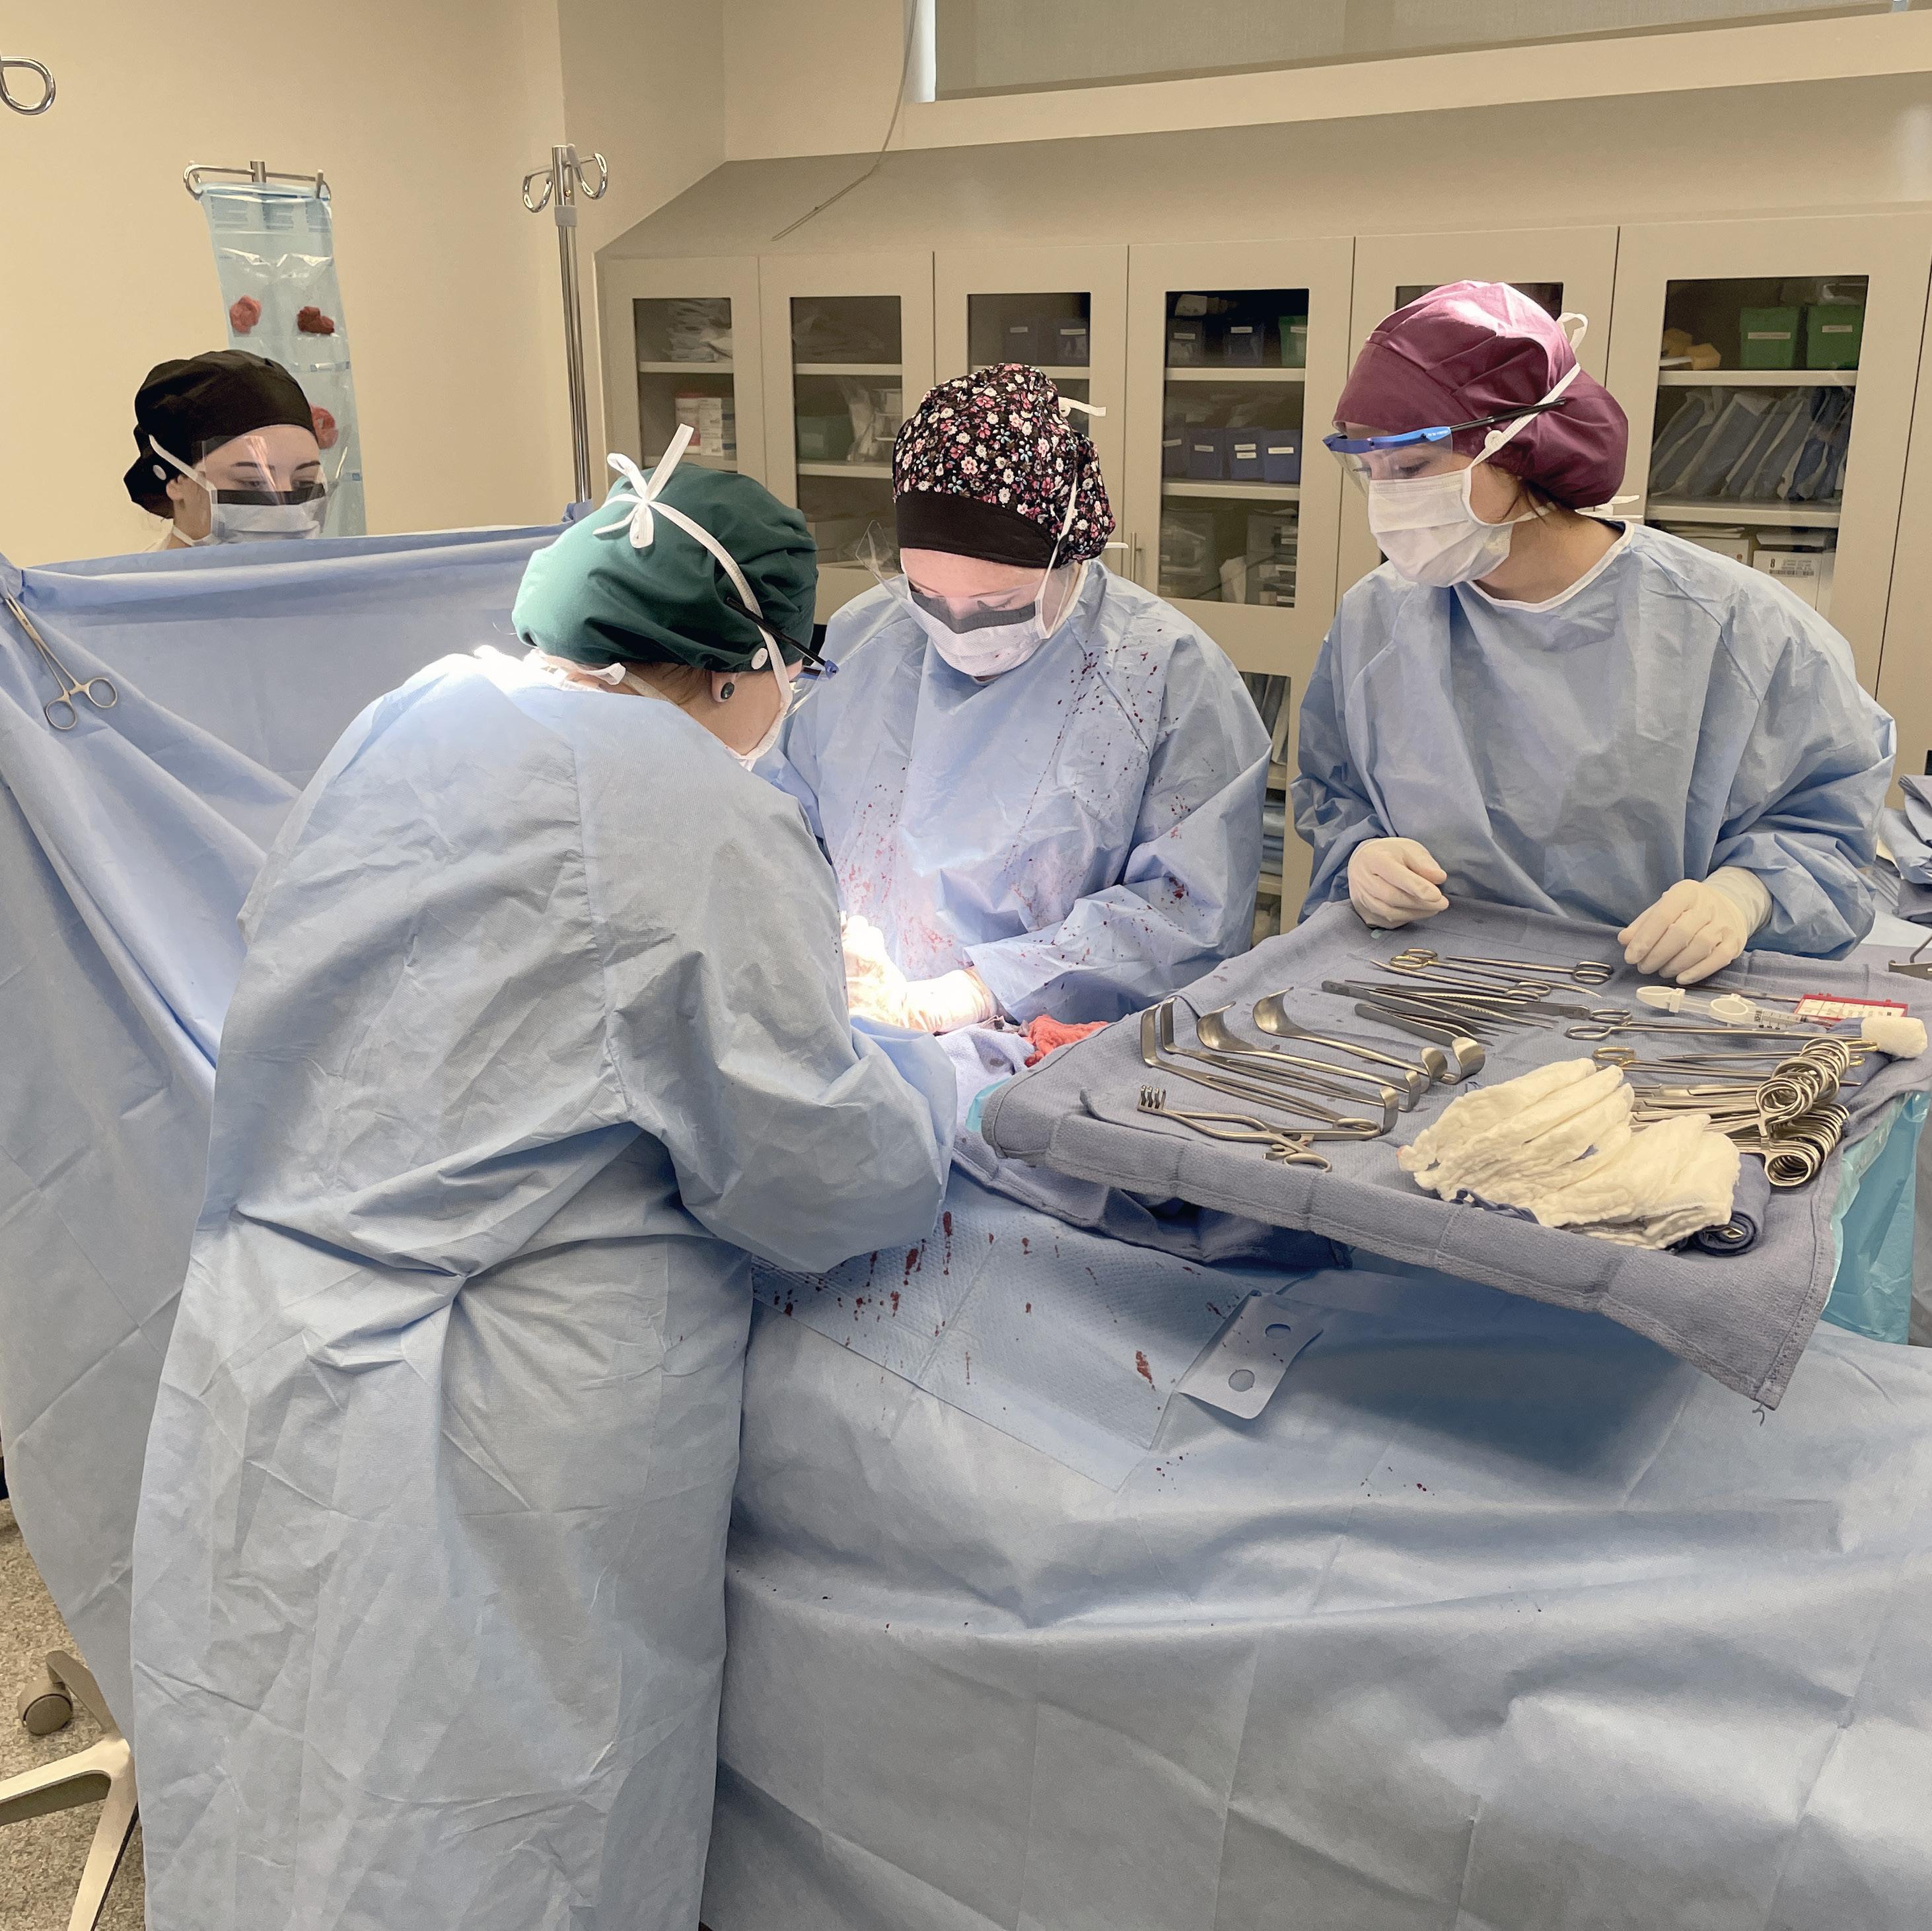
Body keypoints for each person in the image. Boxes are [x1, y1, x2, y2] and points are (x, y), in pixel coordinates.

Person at [129, 433, 954, 1931]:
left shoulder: (413, 715)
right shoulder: (690, 803)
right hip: (496, 1406)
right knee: (495, 1829)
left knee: (284, 1786)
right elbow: (822, 1177)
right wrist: (931, 1071)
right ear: (743, 664)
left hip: (272, 1339)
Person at [1294, 281, 1892, 985]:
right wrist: (1362, 855)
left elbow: (1829, 826)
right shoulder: (1378, 618)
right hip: (1426, 980)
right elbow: (1337, 792)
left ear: (1518, 443)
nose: (1388, 501)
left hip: (1649, 992)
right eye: (1369, 470)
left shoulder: (1734, 626)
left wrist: (1743, 897)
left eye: (1410, 467)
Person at [759, 363, 1271, 1032]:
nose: (958, 628)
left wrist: (979, 990)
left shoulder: (1165, 673)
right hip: (859, 1019)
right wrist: (825, 938)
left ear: (1069, 553)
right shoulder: (865, 641)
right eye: (927, 597)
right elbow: (785, 824)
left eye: (998, 604)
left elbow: (1187, 912)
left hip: (1054, 1045)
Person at [123, 349, 328, 549]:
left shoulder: (324, 572)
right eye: (254, 482)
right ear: (177, 480)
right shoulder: (132, 574)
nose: (289, 512)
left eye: (304, 483)